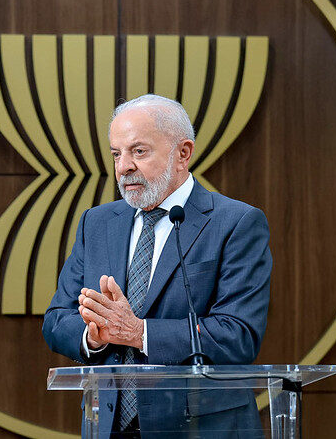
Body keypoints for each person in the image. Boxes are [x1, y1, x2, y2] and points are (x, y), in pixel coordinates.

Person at [42, 94, 272, 438]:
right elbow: (57, 320)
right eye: (116, 154)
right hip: (111, 427)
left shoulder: (236, 223)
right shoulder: (97, 223)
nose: (124, 167)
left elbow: (238, 335)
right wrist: (94, 336)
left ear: (183, 154)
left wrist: (139, 332)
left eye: (139, 151)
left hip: (202, 428)